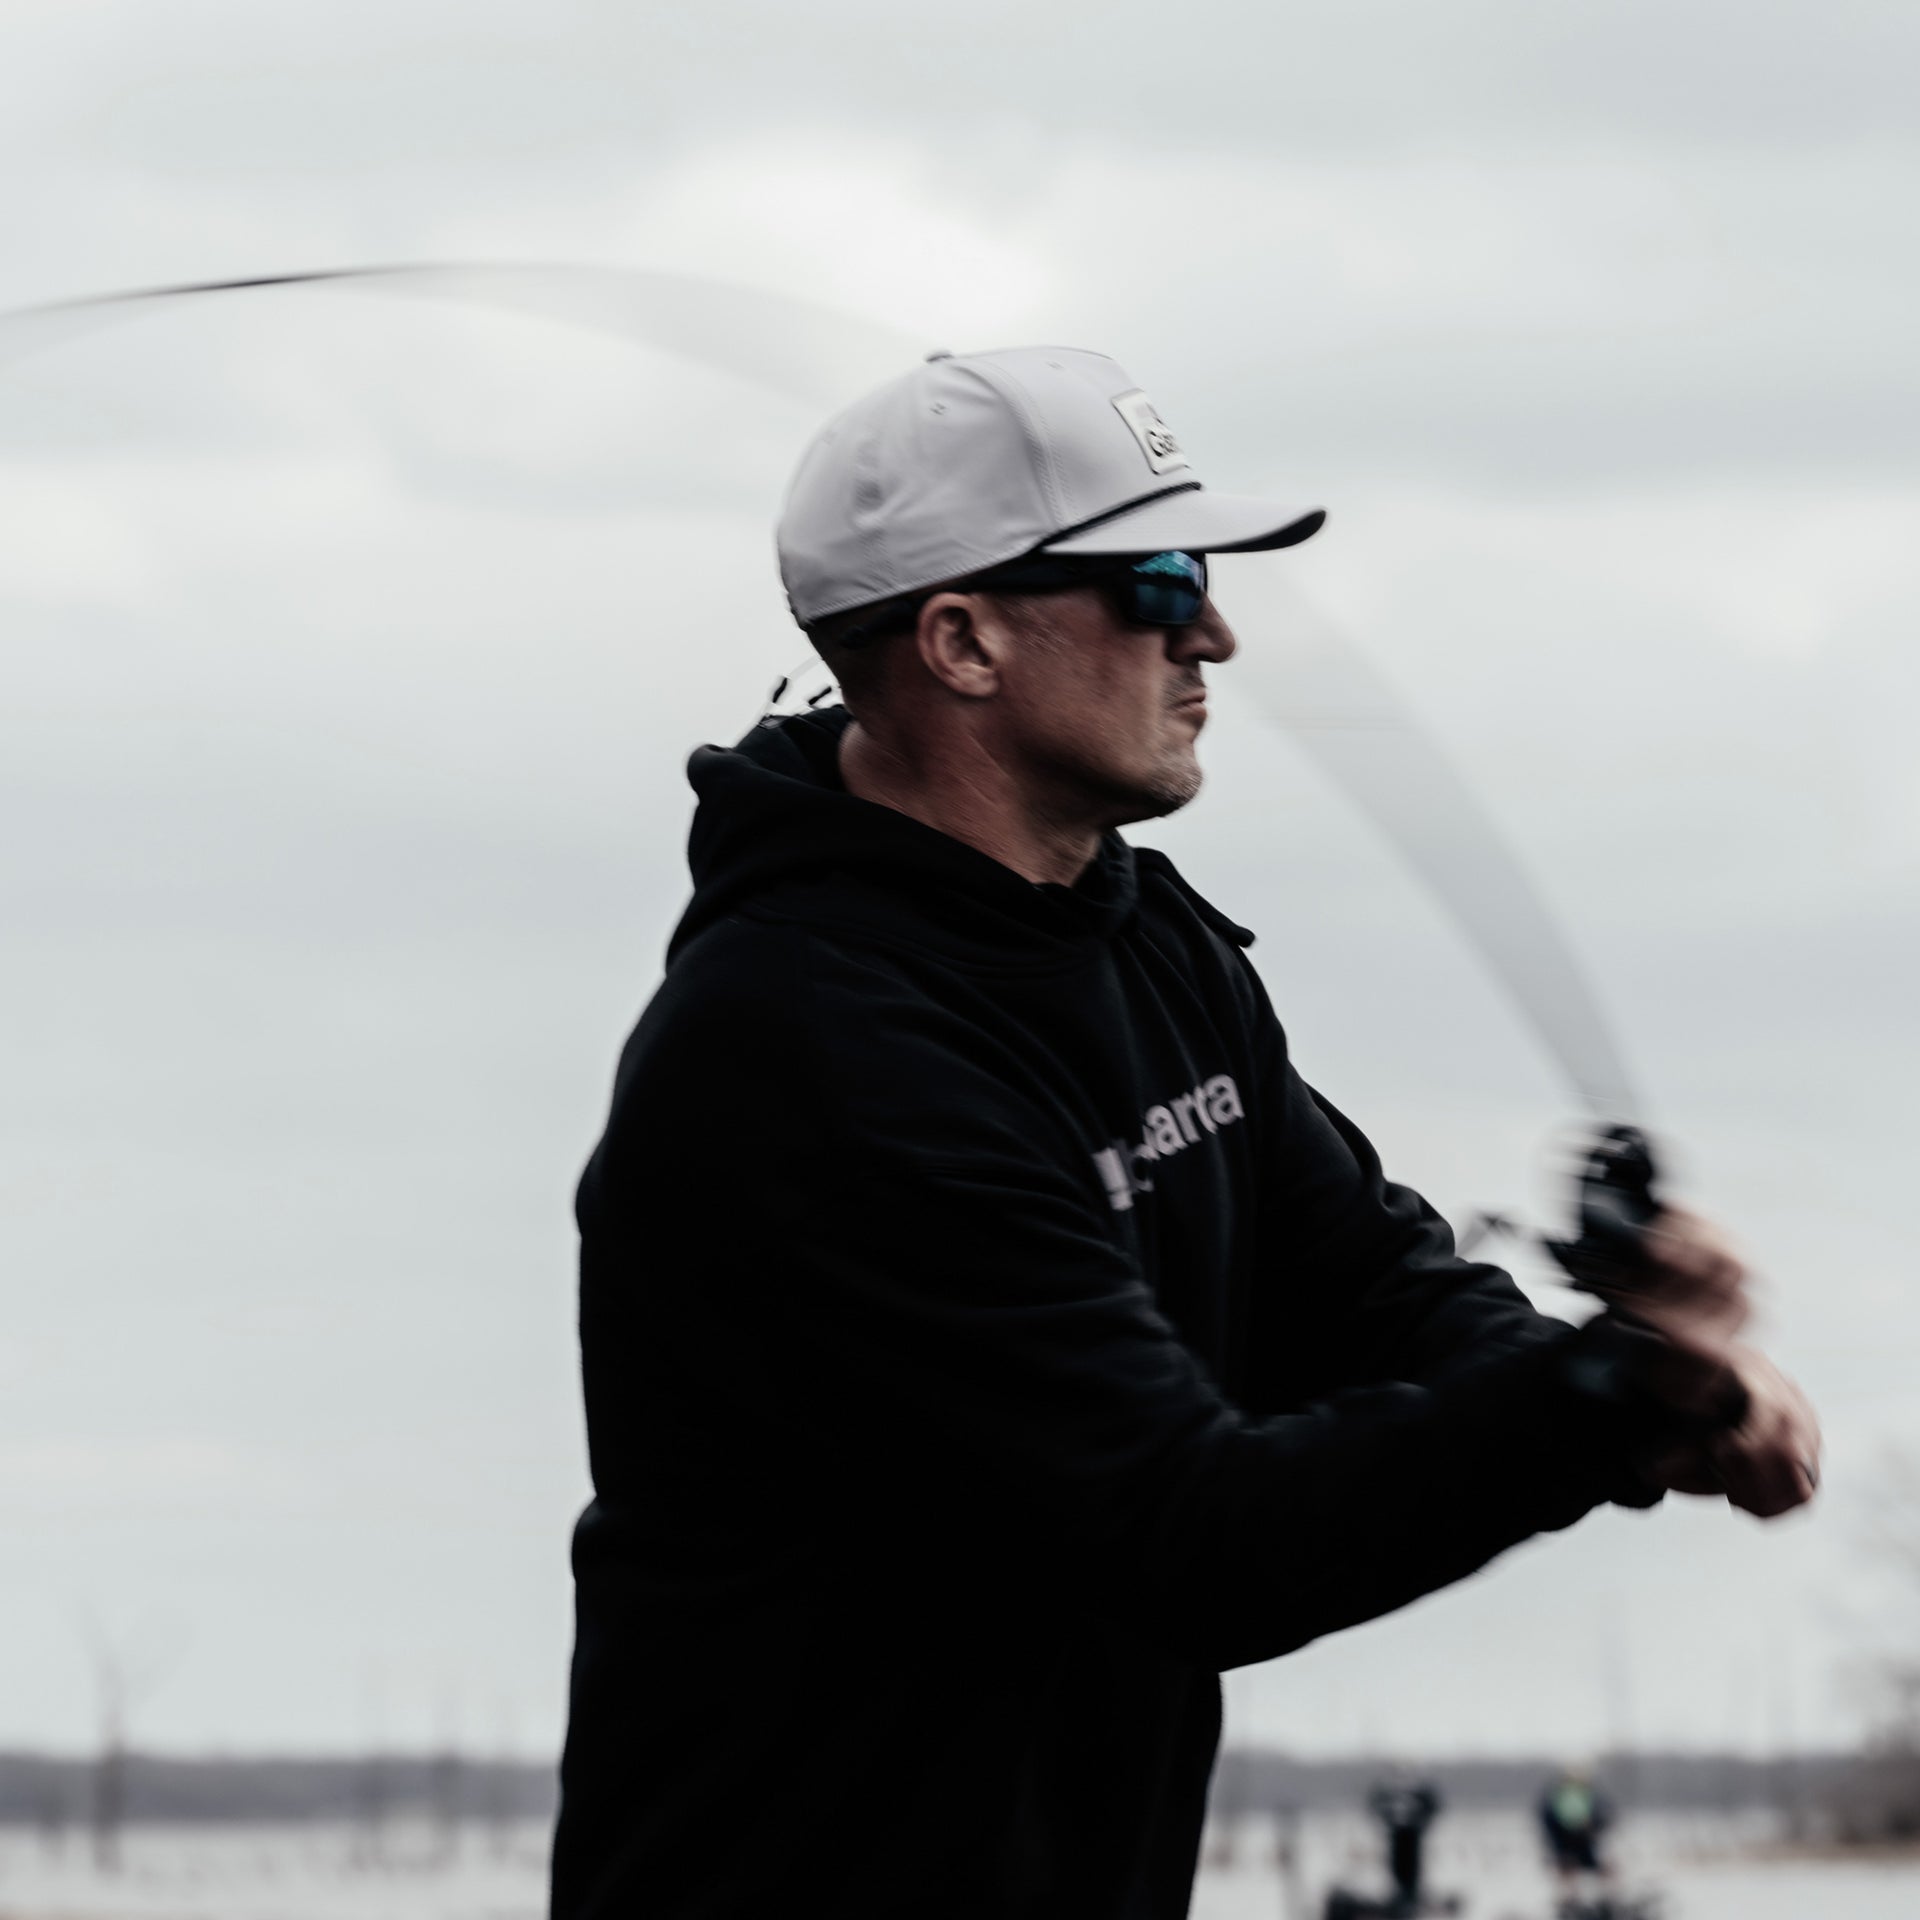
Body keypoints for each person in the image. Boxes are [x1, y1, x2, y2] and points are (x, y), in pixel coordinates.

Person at [549, 346, 1820, 1920]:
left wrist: (1659, 1397)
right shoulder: (815, 1056)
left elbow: (1364, 1286)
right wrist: (1606, 1395)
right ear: (961, 641)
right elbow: (1192, 1536)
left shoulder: (1137, 937)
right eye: (1157, 582)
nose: (1213, 630)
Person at [1539, 1763, 1614, 1909]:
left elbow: (1546, 1817)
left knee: (1577, 1870)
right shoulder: (1563, 1795)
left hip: (1575, 1841)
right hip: (1573, 1841)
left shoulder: (1585, 1795)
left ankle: (1595, 1900)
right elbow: (1547, 1818)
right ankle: (1575, 1901)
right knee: (1571, 1870)